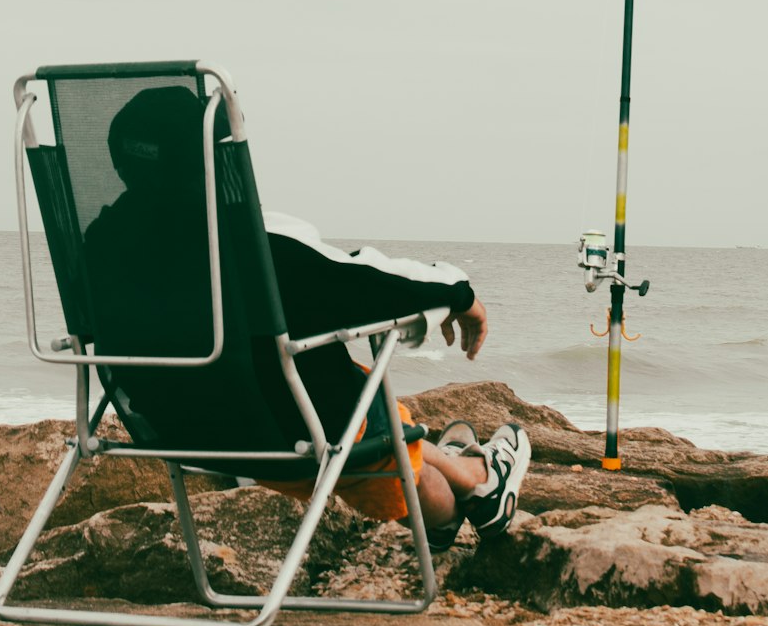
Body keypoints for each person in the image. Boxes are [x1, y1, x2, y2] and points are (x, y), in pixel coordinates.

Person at [83, 86, 530, 548]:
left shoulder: (96, 245)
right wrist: (458, 295)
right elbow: (361, 286)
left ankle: (466, 472)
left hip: (180, 431)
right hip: (292, 437)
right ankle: (480, 479)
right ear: (208, 155)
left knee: (378, 427)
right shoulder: (248, 245)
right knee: (375, 432)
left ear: (122, 162)